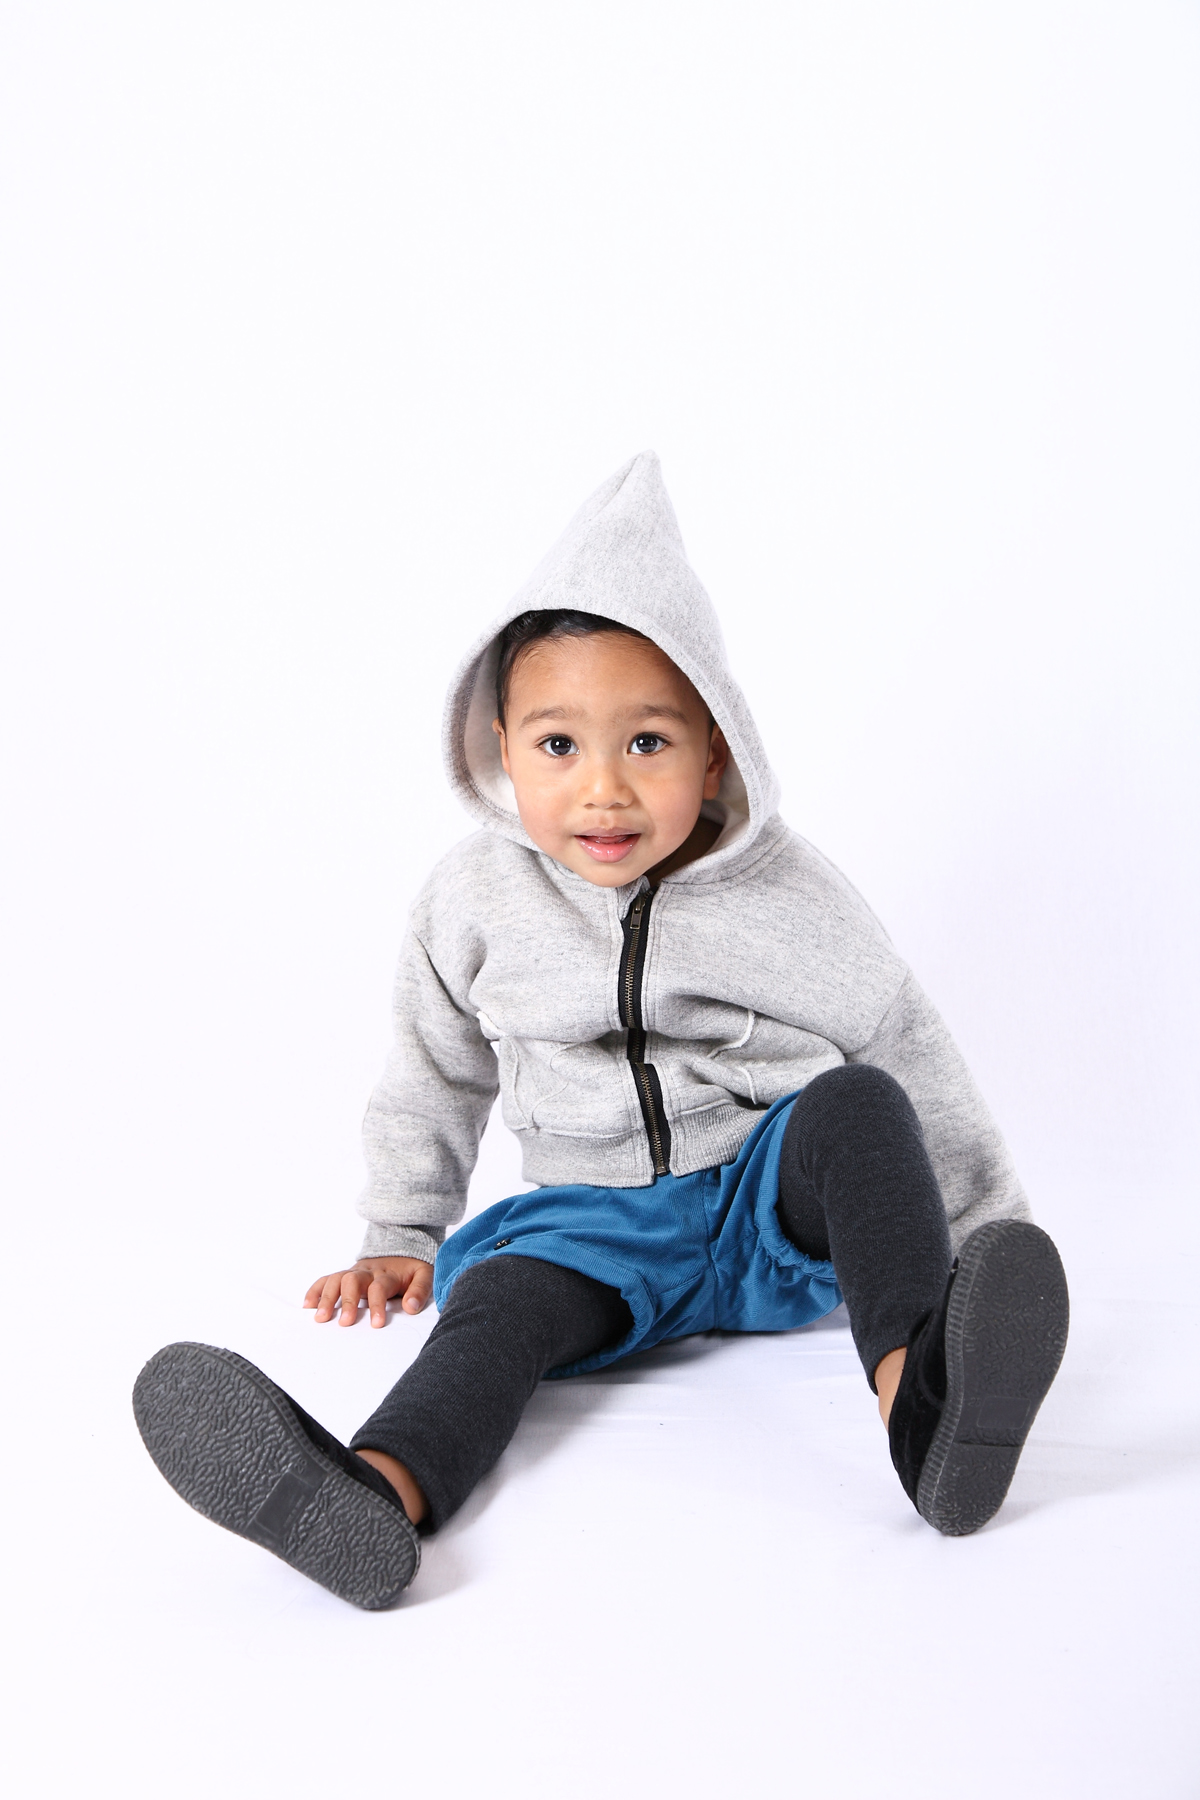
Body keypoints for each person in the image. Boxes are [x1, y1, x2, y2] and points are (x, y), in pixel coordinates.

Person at [134, 452, 1069, 1611]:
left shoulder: (790, 894)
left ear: (715, 747)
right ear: (500, 746)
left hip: (765, 1212)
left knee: (859, 1104)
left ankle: (922, 1403)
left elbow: (905, 1043)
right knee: (495, 1310)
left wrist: (989, 1238)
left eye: (648, 743)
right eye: (560, 745)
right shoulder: (472, 902)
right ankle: (374, 1493)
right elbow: (433, 1070)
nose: (604, 792)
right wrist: (402, 1231)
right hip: (592, 1235)